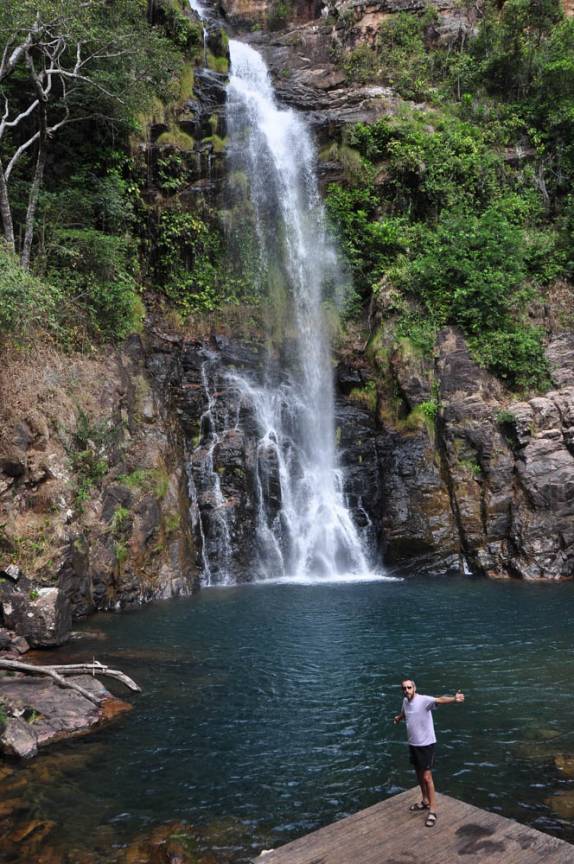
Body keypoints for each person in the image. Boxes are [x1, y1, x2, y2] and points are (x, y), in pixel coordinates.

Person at [393, 678, 465, 828]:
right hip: (413, 743)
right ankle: (425, 801)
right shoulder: (405, 701)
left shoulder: (424, 700)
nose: (406, 691)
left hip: (426, 744)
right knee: (419, 774)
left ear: (414, 688)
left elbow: (439, 700)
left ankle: (433, 810)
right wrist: (399, 718)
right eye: (404, 688)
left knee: (427, 776)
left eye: (409, 688)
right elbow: (405, 713)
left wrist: (454, 698)